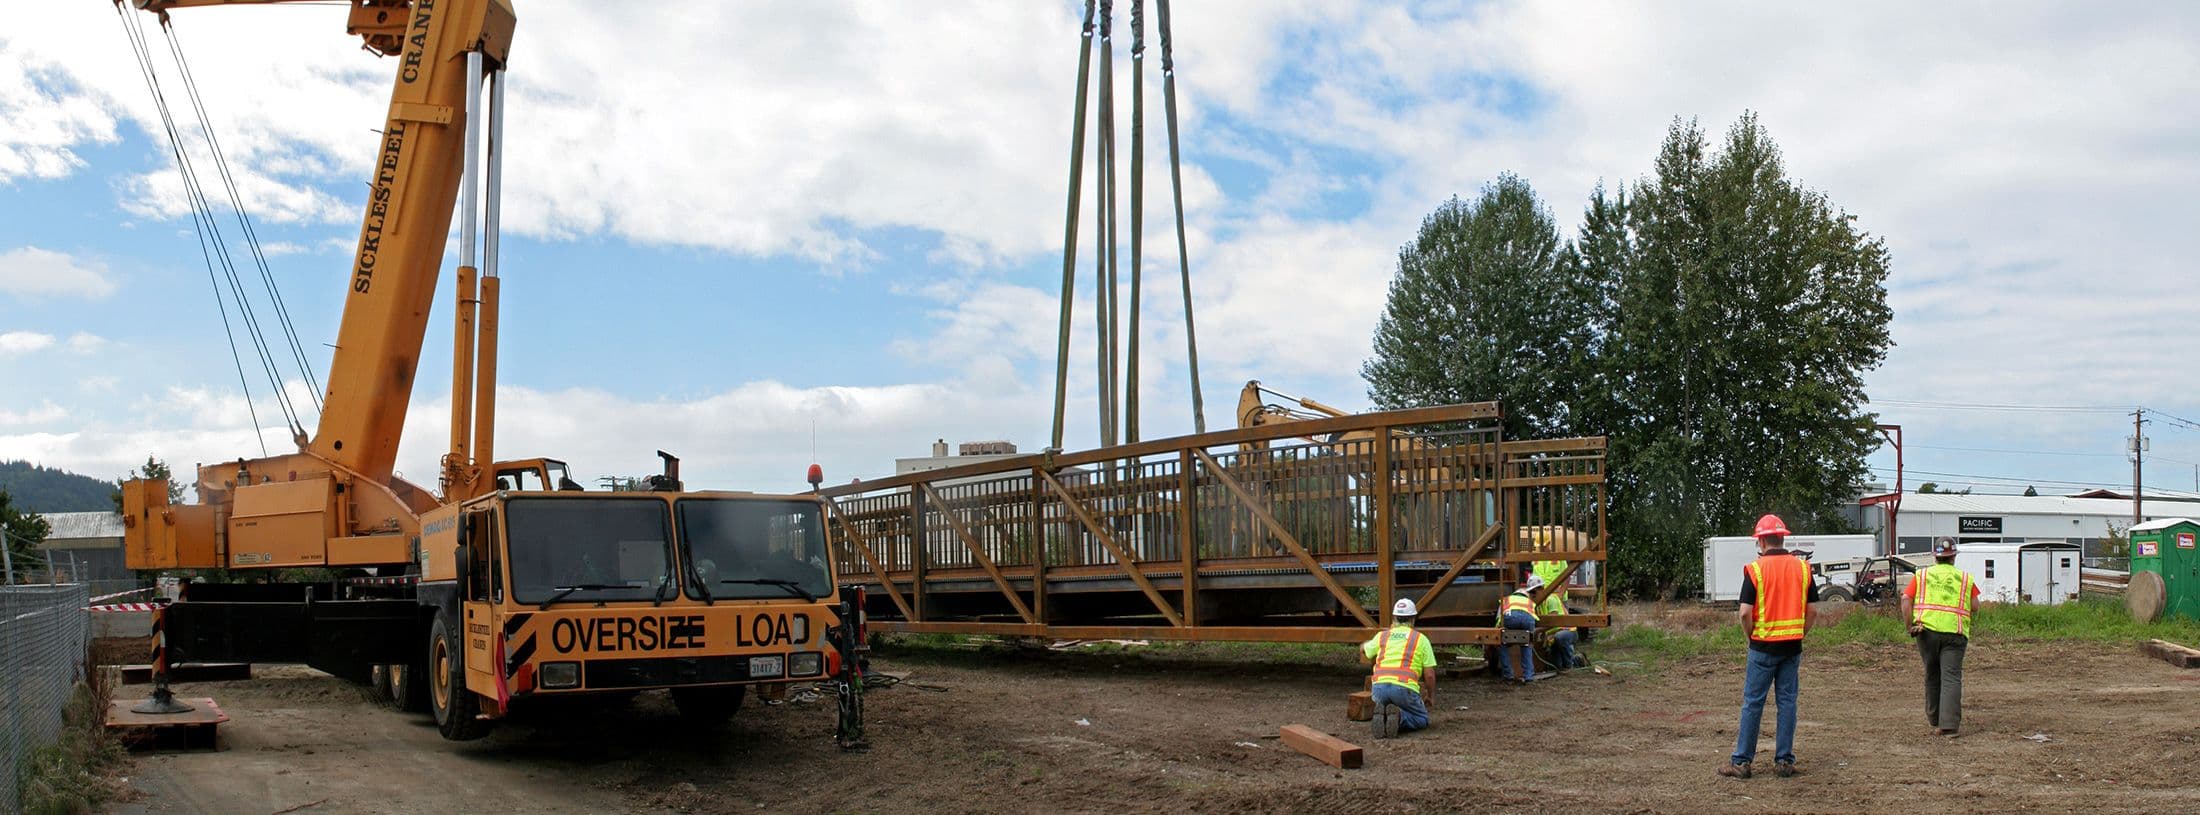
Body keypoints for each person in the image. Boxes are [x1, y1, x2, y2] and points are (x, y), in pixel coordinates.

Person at [1720, 513, 1818, 780]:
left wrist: (1751, 635)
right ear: (1782, 538)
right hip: (1791, 647)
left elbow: (1744, 613)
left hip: (1762, 647)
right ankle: (1784, 761)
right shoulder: (1803, 568)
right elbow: (1812, 611)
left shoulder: (1755, 570)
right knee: (1787, 703)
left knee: (1753, 703)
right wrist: (1800, 633)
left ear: (1761, 541)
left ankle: (1742, 762)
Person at [1903, 538, 1979, 736]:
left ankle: (1935, 718)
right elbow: (1976, 605)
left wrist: (1909, 625)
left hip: (1926, 633)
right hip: (1955, 634)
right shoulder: (1964, 578)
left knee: (1932, 673)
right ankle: (1949, 725)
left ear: (1935, 556)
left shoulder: (1922, 575)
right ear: (1953, 556)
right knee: (1951, 676)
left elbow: (1905, 599)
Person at [1360, 598, 1437, 738]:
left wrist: (1364, 645)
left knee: (1386, 704)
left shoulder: (1383, 636)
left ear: (1394, 617)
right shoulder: (1421, 639)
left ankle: (1384, 716)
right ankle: (1400, 717)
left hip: (1379, 689)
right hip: (1404, 689)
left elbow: (1364, 650)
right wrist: (1430, 696)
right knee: (1422, 719)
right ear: (1413, 618)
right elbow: (1430, 674)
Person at [1494, 574, 1543, 684]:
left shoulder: (1506, 600)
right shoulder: (1530, 602)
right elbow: (1535, 617)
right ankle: (1528, 676)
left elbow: (1499, 618)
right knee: (1526, 644)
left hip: (1510, 618)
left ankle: (1508, 676)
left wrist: (1497, 632)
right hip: (1527, 620)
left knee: (1502, 644)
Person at [1539, 579, 1584, 671]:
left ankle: (1569, 666)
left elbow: (1554, 621)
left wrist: (1543, 633)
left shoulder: (1550, 599)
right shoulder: (1538, 603)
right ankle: (1577, 660)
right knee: (1556, 666)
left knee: (1560, 637)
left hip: (1567, 631)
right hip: (1554, 635)